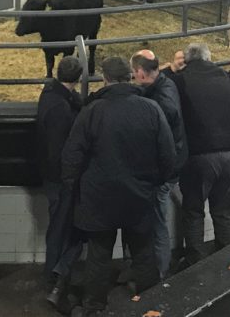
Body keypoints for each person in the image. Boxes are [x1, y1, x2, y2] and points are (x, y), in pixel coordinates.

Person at [63, 57, 175, 317]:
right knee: (143, 252)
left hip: (99, 198)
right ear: (130, 77)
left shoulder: (92, 111)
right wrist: (153, 182)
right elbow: (167, 156)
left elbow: (72, 155)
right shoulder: (151, 108)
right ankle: (150, 304)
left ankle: (94, 307)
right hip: (138, 196)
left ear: (105, 79)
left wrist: (73, 189)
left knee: (99, 256)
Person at [170, 43, 230, 264]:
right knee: (223, 211)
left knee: (193, 211)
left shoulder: (180, 79)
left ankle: (196, 262)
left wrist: (170, 68)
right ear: (208, 58)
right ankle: (228, 259)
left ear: (187, 60)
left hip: (201, 155)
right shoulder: (225, 76)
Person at [130, 49, 186, 279]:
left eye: (134, 73)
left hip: (162, 171)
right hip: (171, 165)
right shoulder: (164, 83)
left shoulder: (159, 103)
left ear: (142, 73)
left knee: (157, 221)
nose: (132, 77)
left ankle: (159, 272)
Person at [36, 56, 84, 312]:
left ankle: (55, 273)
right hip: (61, 176)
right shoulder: (60, 108)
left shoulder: (53, 96)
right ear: (78, 79)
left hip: (52, 174)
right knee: (66, 228)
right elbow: (59, 149)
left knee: (60, 226)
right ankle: (56, 275)